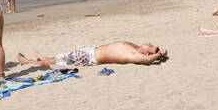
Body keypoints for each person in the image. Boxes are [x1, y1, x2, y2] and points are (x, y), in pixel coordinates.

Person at [16, 42, 168, 68]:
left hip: (90, 57)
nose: (148, 42)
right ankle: (44, 59)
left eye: (151, 45)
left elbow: (147, 61)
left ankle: (28, 62)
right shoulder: (135, 47)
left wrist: (159, 55)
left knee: (62, 60)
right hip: (91, 51)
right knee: (63, 57)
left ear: (148, 52)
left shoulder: (134, 54)